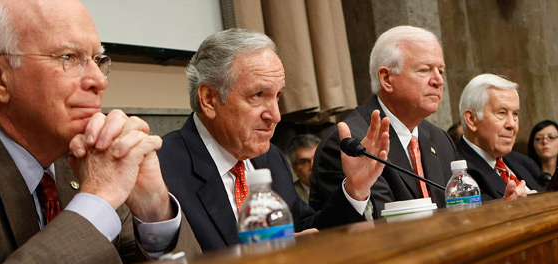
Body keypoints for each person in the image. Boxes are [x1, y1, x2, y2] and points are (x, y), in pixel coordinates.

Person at [0, 0, 199, 264]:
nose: (99, 80)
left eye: (98, 59)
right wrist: (99, 200)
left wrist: (153, 209)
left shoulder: (87, 156)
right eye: (68, 57)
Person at [157, 28, 390, 251]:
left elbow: (306, 232)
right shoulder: (162, 168)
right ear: (209, 99)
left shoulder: (271, 158)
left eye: (277, 96)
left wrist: (354, 190)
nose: (276, 116)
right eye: (258, 95)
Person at [310, 25, 458, 216]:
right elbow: (378, 221)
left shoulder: (440, 140)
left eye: (441, 71)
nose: (438, 81)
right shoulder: (352, 143)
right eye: (424, 70)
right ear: (386, 78)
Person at [456, 74, 544, 200]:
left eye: (515, 114)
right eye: (501, 113)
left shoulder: (525, 164)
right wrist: (507, 207)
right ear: (471, 119)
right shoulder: (458, 174)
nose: (512, 124)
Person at [288, 134, 320, 203]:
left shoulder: (340, 187)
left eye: (317, 158)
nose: (313, 166)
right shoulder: (289, 197)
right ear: (295, 169)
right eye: (305, 162)